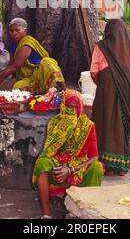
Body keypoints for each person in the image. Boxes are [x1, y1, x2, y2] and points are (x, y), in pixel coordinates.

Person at [32, 89, 103, 219]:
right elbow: (49, 151)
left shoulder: (88, 125)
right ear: (64, 107)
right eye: (70, 107)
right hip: (58, 166)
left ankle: (86, 210)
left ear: (81, 107)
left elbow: (94, 156)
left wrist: (70, 169)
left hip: (77, 167)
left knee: (97, 167)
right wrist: (61, 168)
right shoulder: (55, 122)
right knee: (42, 162)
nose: (73, 111)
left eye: (77, 107)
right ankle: (46, 214)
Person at [90, 19, 130, 176]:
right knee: (122, 124)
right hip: (128, 93)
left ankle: (106, 166)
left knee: (103, 122)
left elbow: (93, 72)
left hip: (106, 91)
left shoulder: (101, 46)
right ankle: (121, 167)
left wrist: (104, 85)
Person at [0, 18, 65, 94]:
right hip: (29, 77)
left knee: (47, 62)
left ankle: (64, 90)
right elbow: (11, 64)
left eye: (17, 30)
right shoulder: (13, 43)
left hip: (41, 73)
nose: (14, 33)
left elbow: (15, 67)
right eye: (11, 31)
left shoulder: (26, 44)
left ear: (25, 31)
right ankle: (42, 91)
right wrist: (0, 80)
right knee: (17, 88)